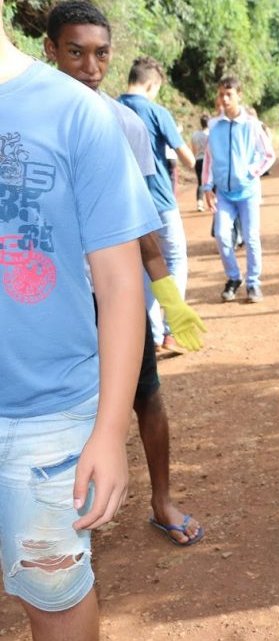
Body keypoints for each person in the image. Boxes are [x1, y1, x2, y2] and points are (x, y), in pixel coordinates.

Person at [0, 1, 161, 636]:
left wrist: (109, 431)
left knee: (52, 590)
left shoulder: (77, 114)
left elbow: (122, 283)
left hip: (43, 418)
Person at [44, 0, 207, 547]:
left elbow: (140, 224)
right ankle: (59, 522)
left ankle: (161, 500)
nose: (90, 67)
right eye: (76, 52)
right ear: (50, 51)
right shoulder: (25, 119)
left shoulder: (126, 124)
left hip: (114, 297)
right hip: (50, 300)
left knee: (145, 396)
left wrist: (167, 294)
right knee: (56, 409)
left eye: (101, 54)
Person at [118, 56, 196, 355]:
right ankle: (172, 332)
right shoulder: (155, 111)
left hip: (125, 205)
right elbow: (185, 156)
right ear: (151, 84)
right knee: (174, 259)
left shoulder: (109, 107)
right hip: (160, 200)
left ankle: (149, 335)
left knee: (140, 267)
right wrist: (202, 176)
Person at [202, 75, 276, 304]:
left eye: (229, 94)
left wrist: (250, 172)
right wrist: (207, 187)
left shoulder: (252, 125)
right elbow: (208, 158)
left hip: (248, 192)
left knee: (251, 237)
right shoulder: (214, 126)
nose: (224, 99)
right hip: (224, 193)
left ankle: (253, 283)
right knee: (223, 236)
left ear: (239, 95)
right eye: (221, 94)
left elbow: (268, 155)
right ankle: (234, 278)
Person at [190, 115, 209, 212]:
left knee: (200, 183)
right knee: (211, 181)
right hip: (208, 160)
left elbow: (193, 149)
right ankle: (216, 200)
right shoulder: (210, 133)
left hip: (198, 159)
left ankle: (200, 203)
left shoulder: (195, 135)